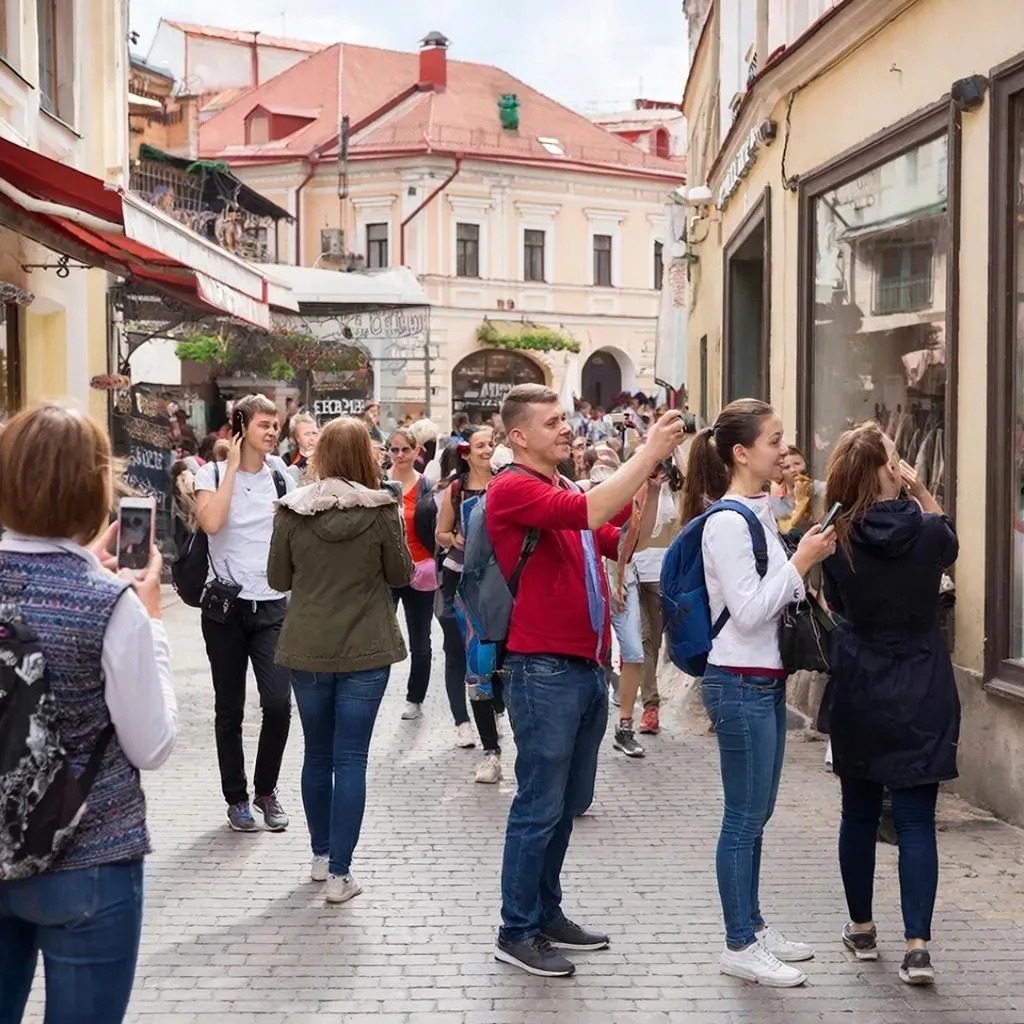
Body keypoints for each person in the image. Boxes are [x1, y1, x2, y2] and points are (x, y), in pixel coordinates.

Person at [487, 383, 686, 978]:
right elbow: (592, 513)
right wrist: (646, 453)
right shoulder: (514, 488)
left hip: (582, 666)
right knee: (538, 805)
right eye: (551, 422)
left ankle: (545, 913)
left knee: (566, 804)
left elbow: (623, 541)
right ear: (519, 436)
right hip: (541, 667)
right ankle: (516, 930)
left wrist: (651, 485)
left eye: (563, 419)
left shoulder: (563, 487)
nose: (565, 428)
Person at [0, 403, 177, 1024]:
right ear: (96, 486)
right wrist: (151, 622)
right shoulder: (109, 604)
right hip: (88, 852)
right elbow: (151, 745)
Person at [681, 399, 835, 987]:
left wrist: (800, 562)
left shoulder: (759, 510)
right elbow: (748, 611)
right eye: (774, 439)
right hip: (739, 681)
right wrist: (801, 561)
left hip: (762, 680)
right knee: (743, 818)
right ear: (742, 453)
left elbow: (769, 596)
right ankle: (739, 943)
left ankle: (754, 925)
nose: (784, 449)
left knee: (757, 813)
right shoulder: (726, 521)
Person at [821, 422, 959, 986]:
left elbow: (835, 604)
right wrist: (920, 488)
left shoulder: (837, 538)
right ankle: (917, 948)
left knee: (857, 812)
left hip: (860, 682)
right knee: (916, 820)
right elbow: (950, 543)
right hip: (923, 681)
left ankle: (861, 928)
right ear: (889, 471)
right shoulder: (927, 531)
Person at [268, 416, 412, 904]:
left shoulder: (292, 510)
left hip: (307, 645)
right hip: (366, 646)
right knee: (351, 758)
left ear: (321, 455)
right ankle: (340, 875)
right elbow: (400, 574)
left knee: (317, 753)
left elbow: (277, 579)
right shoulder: (381, 509)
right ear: (366, 455)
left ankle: (320, 855)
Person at [194, 394, 295, 833]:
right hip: (226, 609)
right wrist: (233, 467)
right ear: (241, 427)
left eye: (276, 425)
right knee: (230, 708)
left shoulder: (283, 476)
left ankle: (266, 790)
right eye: (263, 425)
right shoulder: (212, 473)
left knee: (278, 705)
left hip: (272, 605)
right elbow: (211, 524)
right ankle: (236, 798)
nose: (272, 432)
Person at [435, 427, 504, 782]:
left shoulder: (505, 482)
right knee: (477, 663)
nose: (487, 450)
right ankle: (490, 751)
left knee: (503, 662)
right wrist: (457, 538)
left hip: (504, 582)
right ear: (466, 452)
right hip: (465, 584)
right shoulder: (456, 489)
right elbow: (440, 534)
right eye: (480, 445)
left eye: (490, 444)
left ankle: (499, 710)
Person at [386, 427, 436, 720]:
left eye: (406, 449)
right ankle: (371, 691)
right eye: (394, 449)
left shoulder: (426, 485)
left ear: (417, 452)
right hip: (387, 571)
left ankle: (415, 698)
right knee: (380, 635)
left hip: (421, 570)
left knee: (420, 639)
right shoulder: (380, 483)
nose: (400, 455)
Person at [286, 412, 319, 487]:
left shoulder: (327, 458)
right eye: (307, 434)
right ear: (295, 438)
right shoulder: (288, 460)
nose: (312, 438)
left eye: (315, 433)